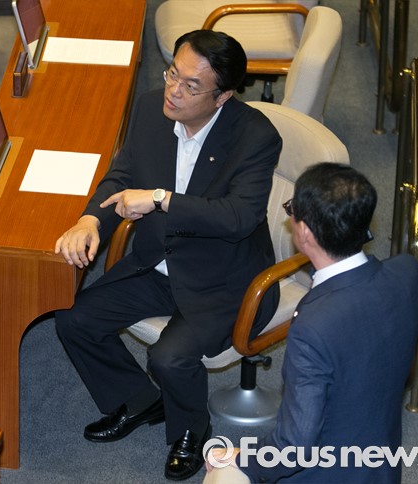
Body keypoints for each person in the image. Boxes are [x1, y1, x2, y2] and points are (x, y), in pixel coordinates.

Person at [54, 29, 282, 481]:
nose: (173, 91)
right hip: (158, 261)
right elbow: (122, 174)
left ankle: (191, 431)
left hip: (223, 277)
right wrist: (90, 221)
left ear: (223, 96)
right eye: (172, 74)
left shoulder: (255, 136)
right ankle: (140, 400)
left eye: (191, 86)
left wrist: (161, 199)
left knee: (169, 357)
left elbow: (239, 217)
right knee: (74, 320)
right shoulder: (150, 109)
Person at [205, 163, 418, 483]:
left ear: (305, 232)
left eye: (291, 210)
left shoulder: (313, 327)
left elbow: (294, 446)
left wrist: (240, 459)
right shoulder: (407, 271)